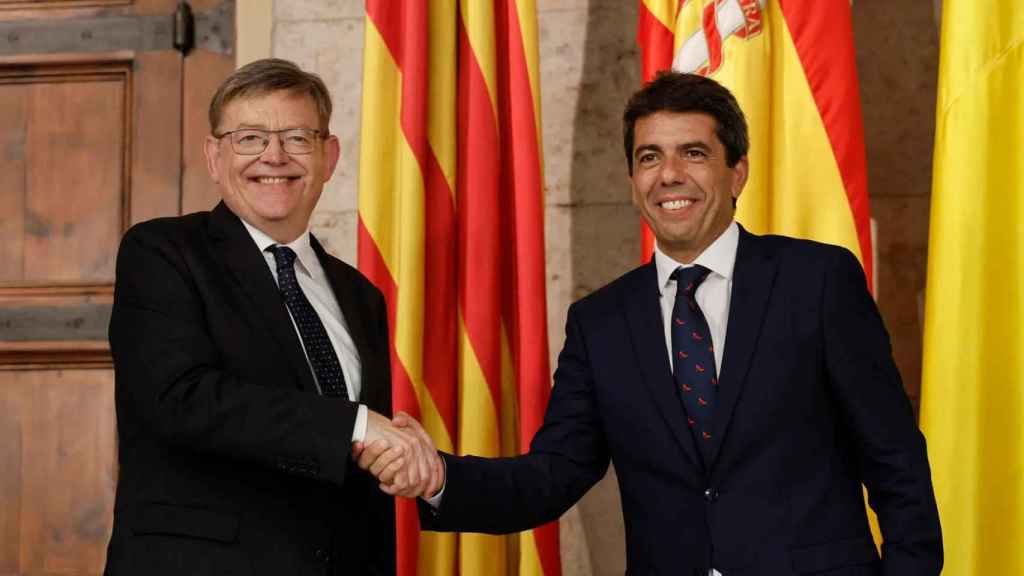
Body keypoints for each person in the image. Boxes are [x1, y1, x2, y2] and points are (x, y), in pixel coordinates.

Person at [360, 72, 943, 575]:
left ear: (737, 171)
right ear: (632, 181)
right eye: (649, 157)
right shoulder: (600, 322)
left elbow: (894, 457)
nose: (669, 175)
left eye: (693, 153)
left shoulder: (816, 280)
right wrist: (437, 479)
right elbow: (553, 475)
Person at [103, 58, 439, 576]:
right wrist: (357, 425)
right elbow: (178, 398)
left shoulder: (360, 295)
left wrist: (398, 458)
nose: (274, 156)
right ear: (214, 157)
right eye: (249, 138)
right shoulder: (162, 253)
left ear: (329, 157)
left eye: (298, 138)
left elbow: (347, 462)